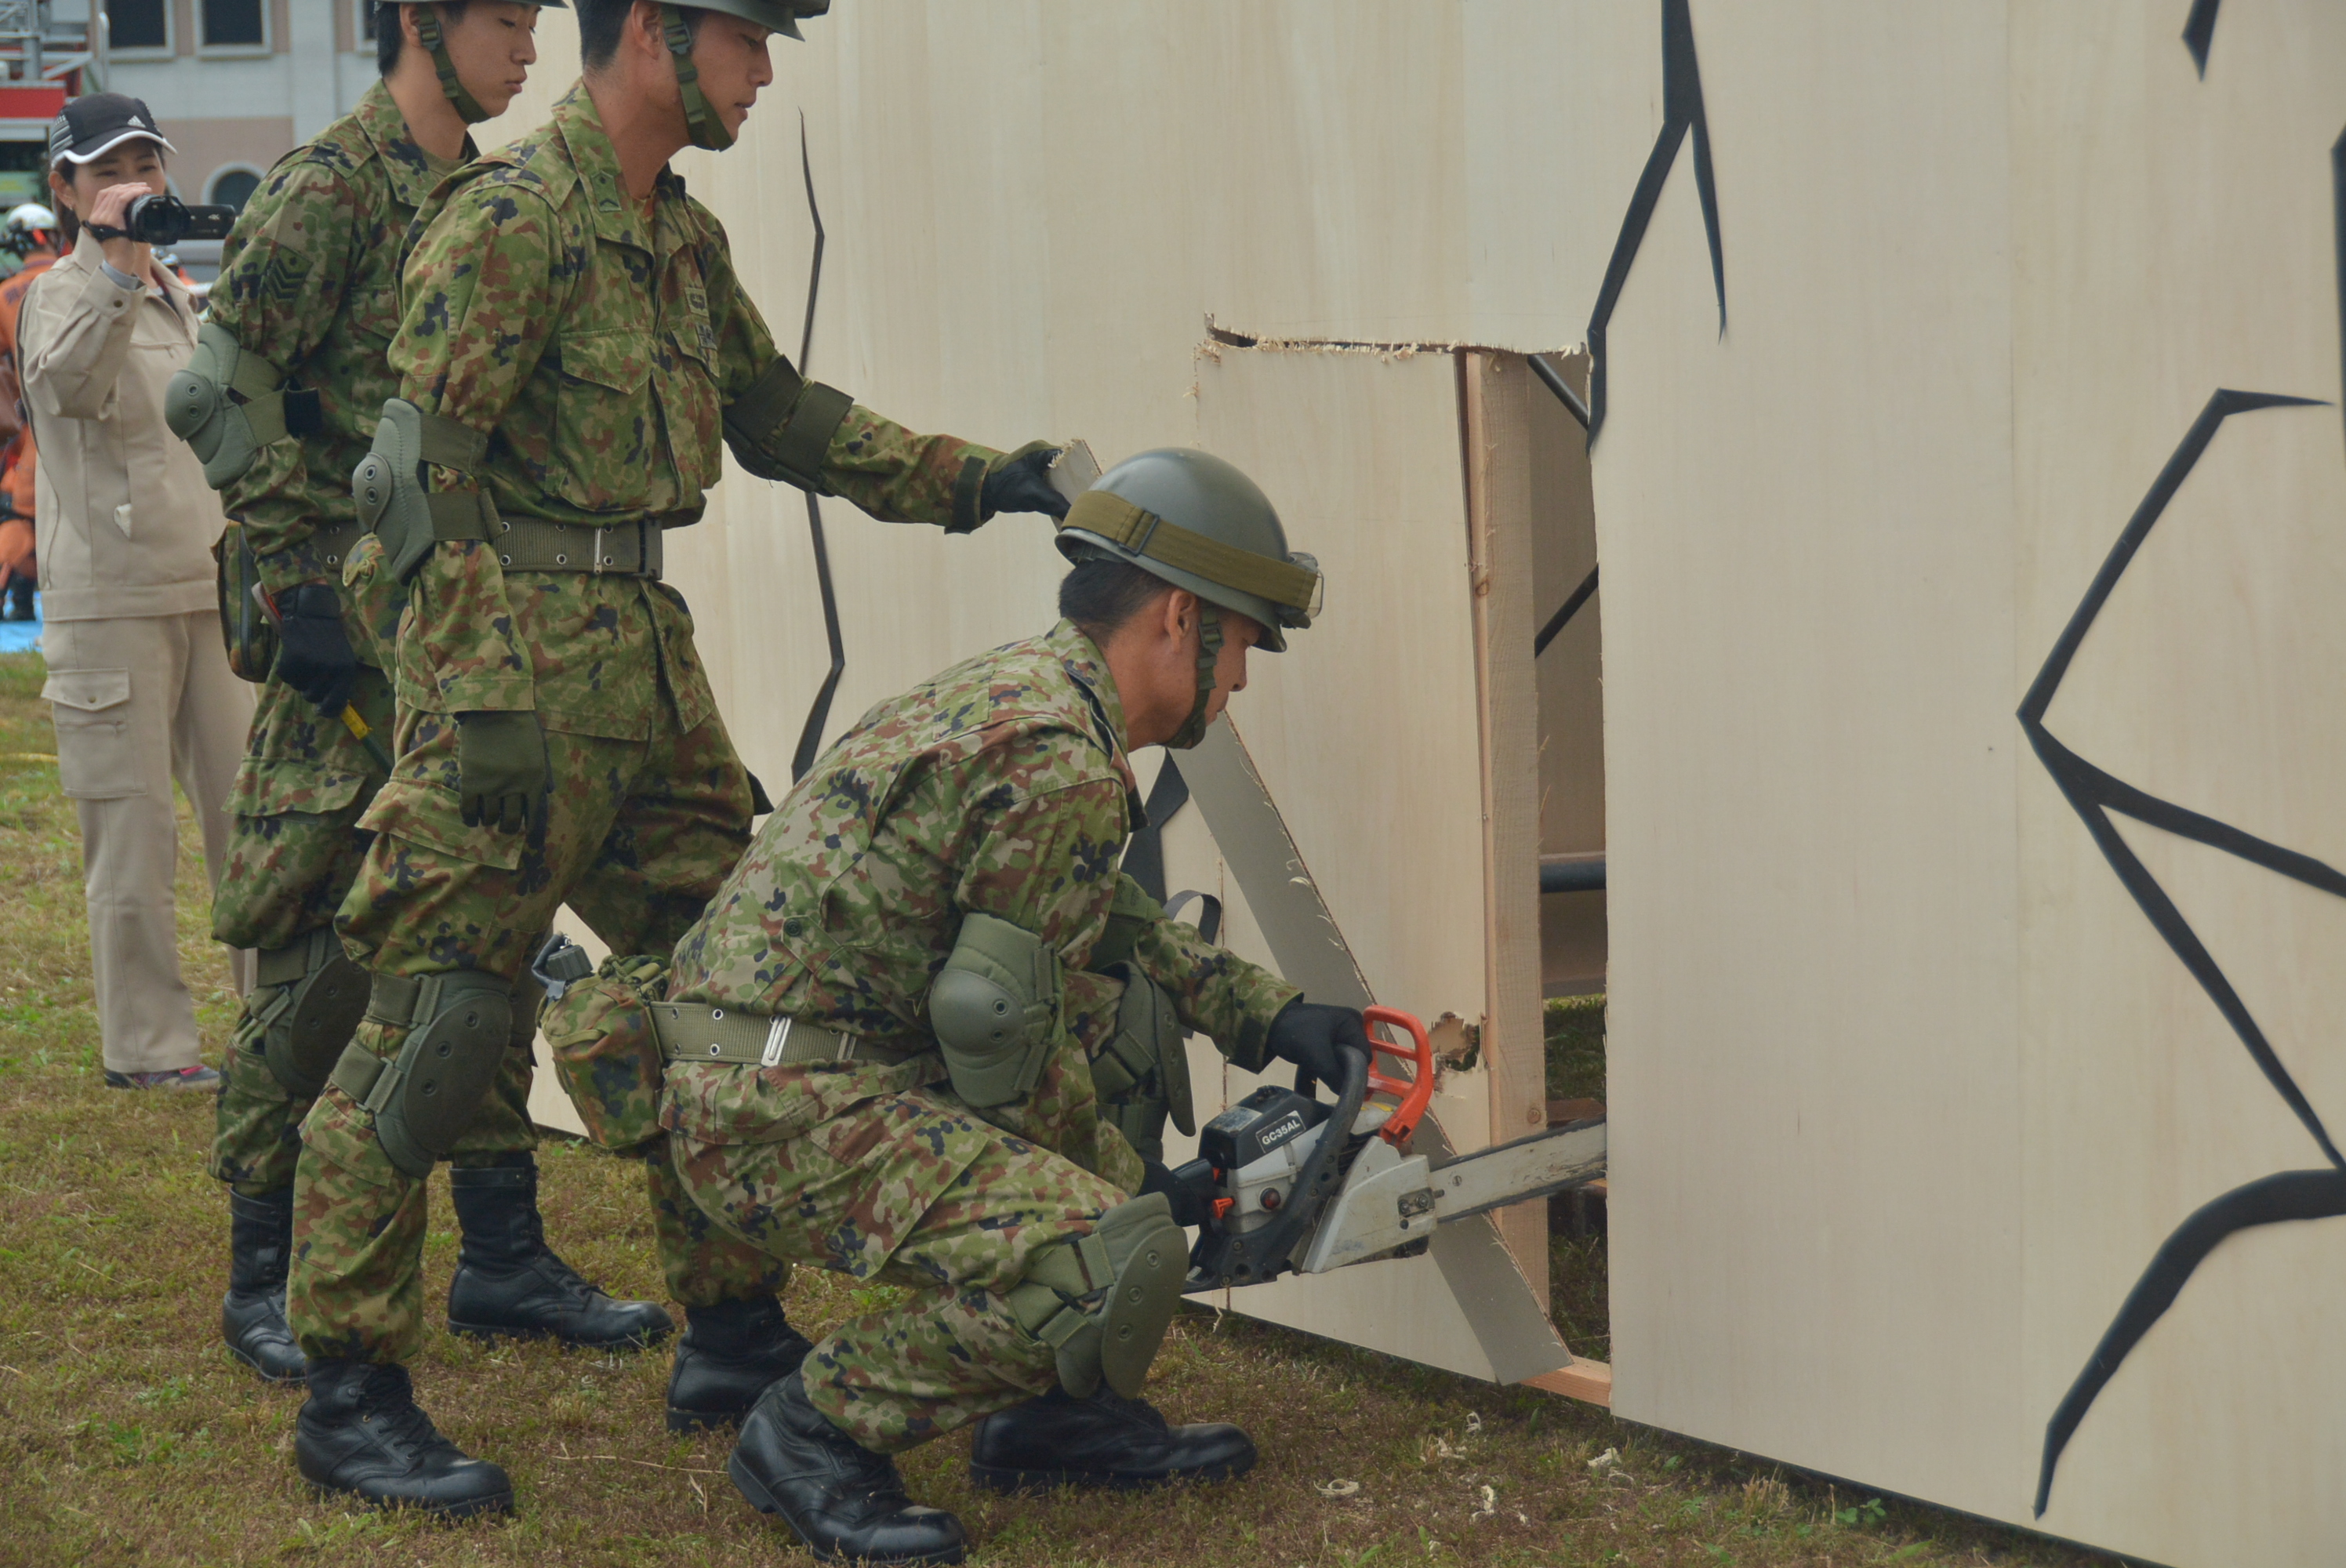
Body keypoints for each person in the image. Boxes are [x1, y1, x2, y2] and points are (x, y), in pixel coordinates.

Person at [283, 0, 1073, 1516]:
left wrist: (984, 481)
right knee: (434, 1030)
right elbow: (414, 479)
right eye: (748, 40)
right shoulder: (512, 221)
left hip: (646, 667)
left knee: (735, 1002)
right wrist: (475, 700)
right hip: (507, 678)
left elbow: (779, 417)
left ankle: (732, 1331)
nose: (766, 72)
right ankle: (350, 1389)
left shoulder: (676, 239)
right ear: (653, 32)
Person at [643, 448, 1357, 1565]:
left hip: (770, 1061)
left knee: (1121, 1029)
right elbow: (1002, 1046)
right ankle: (815, 1429)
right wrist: (1142, 1208)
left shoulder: (1022, 693)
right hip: (779, 1107)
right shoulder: (1060, 761)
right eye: (1245, 643)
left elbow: (1106, 927)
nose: (1243, 682)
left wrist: (1266, 1014)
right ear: (1180, 618)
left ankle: (1051, 1413)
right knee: (1101, 1259)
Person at [172, 0, 662, 1399]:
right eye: (503, 20)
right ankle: (260, 1270)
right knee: (320, 958)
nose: (526, 48)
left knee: (481, 936)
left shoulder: (489, 201)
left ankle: (502, 1250)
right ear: (419, 27)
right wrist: (311, 567)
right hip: (341, 643)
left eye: (532, 21)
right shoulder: (329, 190)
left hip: (453, 634)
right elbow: (214, 395)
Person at [20, 95, 253, 1091]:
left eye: (148, 164)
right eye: (109, 168)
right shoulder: (55, 295)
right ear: (66, 191)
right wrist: (115, 266)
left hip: (211, 592)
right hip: (108, 605)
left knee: (256, 824)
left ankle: (282, 1026)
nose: (137, 183)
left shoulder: (184, 296)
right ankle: (151, 1051)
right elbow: (66, 386)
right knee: (132, 840)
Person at [0, 201, 64, 621]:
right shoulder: (80, 277)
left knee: (22, 513)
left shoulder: (5, 294)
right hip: (95, 419)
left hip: (34, 427)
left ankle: (19, 595)